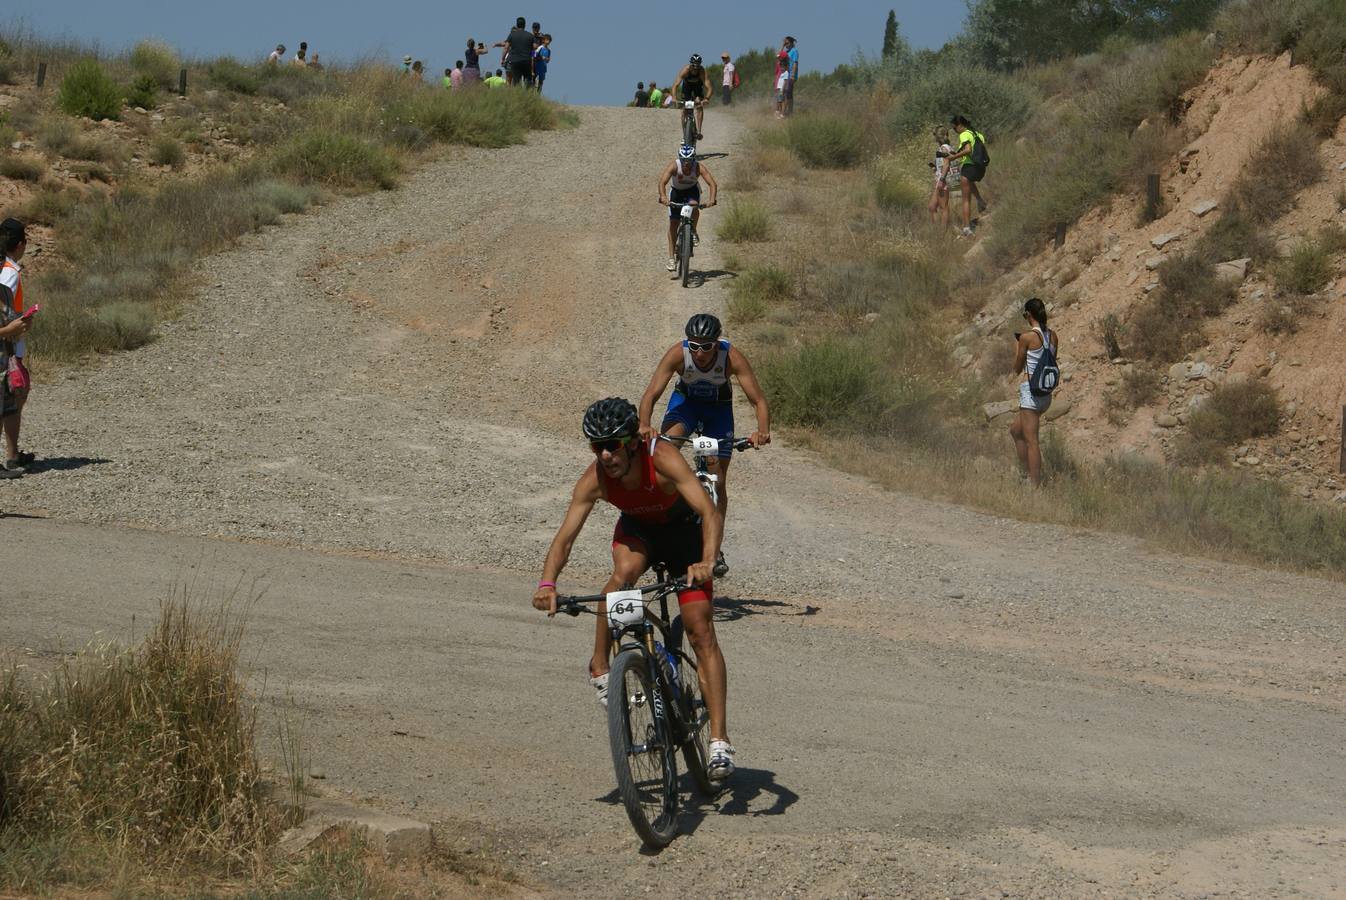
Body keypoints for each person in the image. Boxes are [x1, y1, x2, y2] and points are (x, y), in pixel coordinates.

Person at [533, 397, 736, 781]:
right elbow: (565, 538)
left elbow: (709, 511)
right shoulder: (595, 479)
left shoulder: (662, 459)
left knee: (699, 628)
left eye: (613, 444)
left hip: (685, 536)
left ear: (633, 443)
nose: (606, 455)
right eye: (597, 446)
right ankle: (599, 669)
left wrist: (707, 560)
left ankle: (719, 741)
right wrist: (547, 583)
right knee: (619, 578)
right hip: (640, 533)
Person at [637, 314, 770, 577]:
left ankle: (715, 547)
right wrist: (644, 424)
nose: (699, 353)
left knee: (717, 480)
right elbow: (652, 393)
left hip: (717, 413)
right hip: (685, 406)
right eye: (694, 345)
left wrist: (762, 431)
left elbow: (758, 400)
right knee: (665, 449)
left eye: (706, 346)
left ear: (717, 344)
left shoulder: (731, 357)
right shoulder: (678, 353)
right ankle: (662, 517)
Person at [1010, 298, 1057, 486]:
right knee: (1015, 431)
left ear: (1029, 314)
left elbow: (1018, 367)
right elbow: (1051, 360)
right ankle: (1025, 473)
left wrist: (1018, 346)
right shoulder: (1053, 336)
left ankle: (1034, 485)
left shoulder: (1027, 338)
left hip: (1031, 393)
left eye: (1025, 315)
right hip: (1045, 393)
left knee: (1032, 441)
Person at [0, 218, 34, 475]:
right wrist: (13, 327)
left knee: (12, 401)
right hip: (8, 349)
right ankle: (11, 457)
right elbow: (5, 312)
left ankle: (12, 456)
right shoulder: (9, 272)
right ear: (20, 244)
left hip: (9, 347)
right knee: (12, 401)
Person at [658, 144, 718, 272]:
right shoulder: (674, 166)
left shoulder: (698, 167)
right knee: (673, 223)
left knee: (694, 206)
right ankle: (671, 259)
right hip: (676, 192)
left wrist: (712, 200)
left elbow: (712, 183)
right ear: (680, 159)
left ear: (693, 159)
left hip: (692, 191)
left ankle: (693, 231)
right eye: (684, 160)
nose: (686, 163)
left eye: (689, 160)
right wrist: (663, 197)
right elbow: (662, 182)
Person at [947, 114, 989, 237]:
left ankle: (967, 228)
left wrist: (952, 157)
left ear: (960, 125)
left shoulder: (964, 134)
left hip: (969, 168)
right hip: (980, 168)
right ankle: (980, 201)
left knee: (965, 200)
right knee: (970, 183)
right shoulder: (977, 134)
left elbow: (968, 150)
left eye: (955, 128)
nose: (955, 131)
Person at [673, 54, 713, 139]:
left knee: (699, 104)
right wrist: (674, 98)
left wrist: (706, 99)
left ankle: (699, 131)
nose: (695, 69)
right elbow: (675, 85)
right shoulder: (685, 70)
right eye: (694, 67)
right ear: (691, 65)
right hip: (687, 88)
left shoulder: (702, 71)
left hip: (697, 88)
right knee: (685, 109)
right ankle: (685, 133)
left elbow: (709, 88)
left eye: (697, 67)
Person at [927, 126, 957, 229]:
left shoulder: (944, 148)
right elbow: (943, 164)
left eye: (934, 135)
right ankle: (937, 230)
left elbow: (947, 164)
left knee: (943, 207)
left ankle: (943, 232)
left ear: (937, 137)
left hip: (943, 181)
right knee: (932, 207)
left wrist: (942, 180)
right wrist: (935, 168)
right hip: (940, 180)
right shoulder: (943, 148)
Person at [495, 17, 535, 87]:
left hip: (515, 61)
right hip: (527, 61)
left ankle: (518, 95)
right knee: (528, 80)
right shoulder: (530, 36)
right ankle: (527, 95)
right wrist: (533, 57)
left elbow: (506, 47)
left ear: (517, 25)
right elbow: (534, 48)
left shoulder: (512, 35)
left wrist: (502, 59)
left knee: (516, 81)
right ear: (525, 25)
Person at [784, 37, 799, 115]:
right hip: (785, 75)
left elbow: (795, 63)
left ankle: (787, 112)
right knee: (787, 94)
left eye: (787, 43)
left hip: (791, 75)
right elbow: (779, 56)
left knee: (788, 93)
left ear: (791, 43)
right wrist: (782, 46)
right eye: (785, 43)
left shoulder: (794, 51)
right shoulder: (786, 52)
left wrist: (793, 75)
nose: (786, 44)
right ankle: (789, 112)